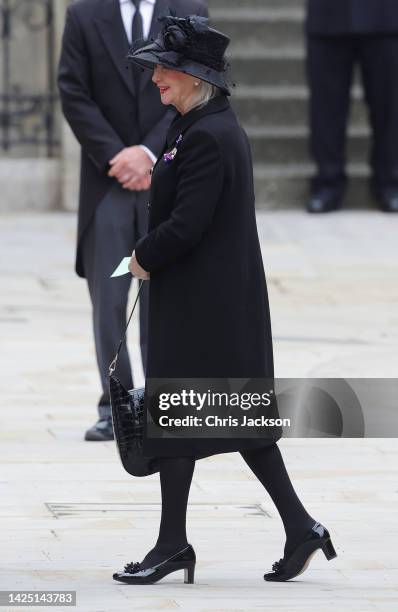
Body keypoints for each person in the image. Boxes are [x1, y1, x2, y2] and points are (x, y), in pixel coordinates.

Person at [111, 14, 337, 584]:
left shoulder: (209, 135)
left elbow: (186, 226)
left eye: (166, 68)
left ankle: (180, 544)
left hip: (206, 312)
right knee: (212, 423)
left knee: (202, 422)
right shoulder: (191, 125)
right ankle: (287, 529)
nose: (156, 77)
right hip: (203, 306)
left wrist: (142, 256)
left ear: (194, 78)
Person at [57, 0, 208, 441]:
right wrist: (116, 155)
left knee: (165, 291)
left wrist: (146, 153)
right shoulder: (83, 15)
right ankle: (116, 405)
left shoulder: (189, 8)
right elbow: (73, 90)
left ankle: (163, 403)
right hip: (106, 179)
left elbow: (197, 85)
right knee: (108, 297)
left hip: (167, 173)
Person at [306, 0, 398, 213]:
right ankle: (328, 182)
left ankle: (390, 182)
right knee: (326, 109)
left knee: (390, 106)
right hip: (328, 16)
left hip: (387, 17)